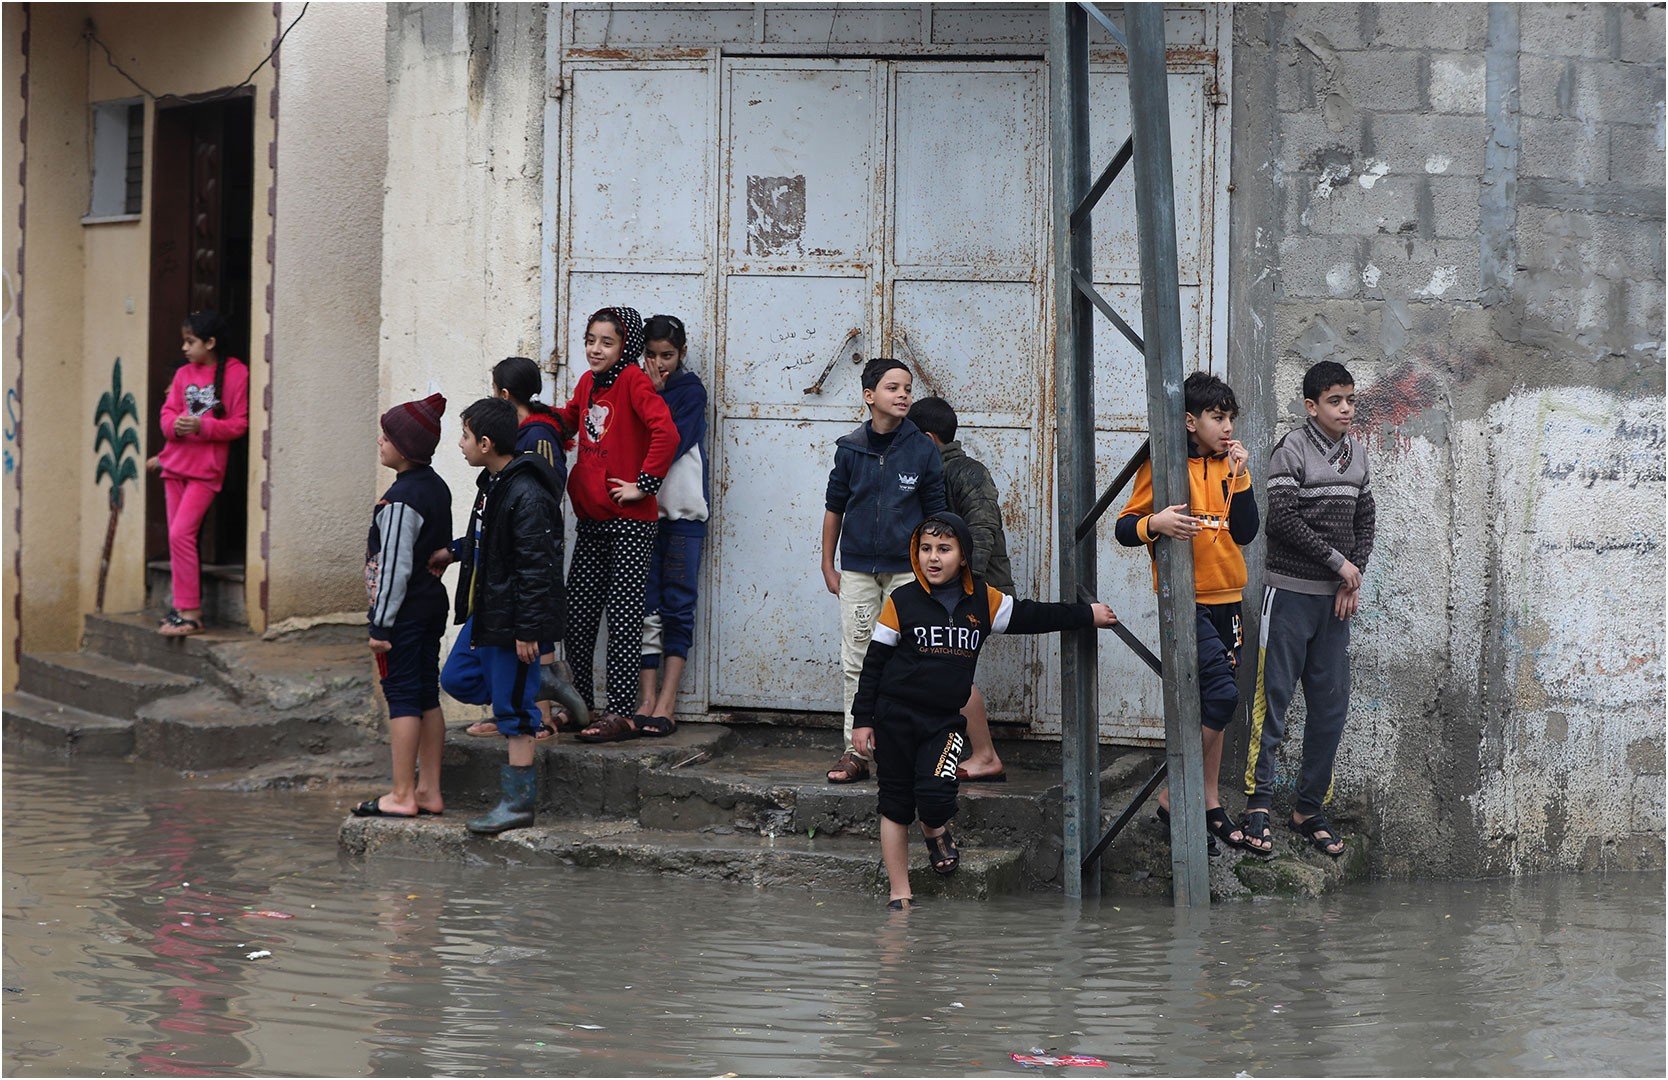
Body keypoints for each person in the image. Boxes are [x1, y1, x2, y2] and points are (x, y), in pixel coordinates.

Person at [851, 514, 1118, 909]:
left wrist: (1086, 615)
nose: (933, 558)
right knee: (895, 803)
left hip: (944, 723)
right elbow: (873, 664)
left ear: (963, 556)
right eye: (926, 549)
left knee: (936, 797)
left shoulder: (983, 600)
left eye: (944, 549)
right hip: (894, 719)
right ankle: (900, 894)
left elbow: (1033, 615)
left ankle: (935, 827)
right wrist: (862, 721)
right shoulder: (901, 601)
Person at [1115, 370, 1259, 854]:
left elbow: (1246, 531)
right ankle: (1174, 793)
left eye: (1230, 418)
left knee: (1215, 705)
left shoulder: (1230, 465)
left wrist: (1240, 475)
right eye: (1217, 417)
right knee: (1221, 697)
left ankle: (1208, 800)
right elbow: (1123, 527)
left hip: (1228, 599)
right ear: (1190, 421)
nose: (1227, 427)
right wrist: (1155, 523)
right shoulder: (1165, 463)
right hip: (1187, 601)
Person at [1241, 360, 1374, 858]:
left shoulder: (1357, 454)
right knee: (1272, 701)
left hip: (1334, 604)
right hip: (1290, 596)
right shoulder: (1291, 449)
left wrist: (1351, 577)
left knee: (1330, 709)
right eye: (1335, 401)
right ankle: (1258, 804)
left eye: (1350, 399)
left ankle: (1308, 809)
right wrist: (1339, 564)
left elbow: (1366, 520)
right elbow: (1282, 521)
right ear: (1311, 406)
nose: (1346, 409)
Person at [430, 397, 565, 835]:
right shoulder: (493, 483)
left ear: (486, 443)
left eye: (465, 436)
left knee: (513, 711)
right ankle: (540, 683)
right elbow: (488, 541)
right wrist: (454, 551)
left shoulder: (526, 493)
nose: (460, 444)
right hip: (489, 612)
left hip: (513, 622)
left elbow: (536, 567)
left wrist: (528, 629)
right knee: (457, 678)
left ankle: (517, 805)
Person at [821, 357, 948, 784]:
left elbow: (936, 512)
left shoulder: (922, 449)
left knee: (909, 658)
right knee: (856, 657)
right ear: (869, 396)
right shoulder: (850, 448)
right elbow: (834, 508)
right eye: (893, 388)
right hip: (857, 570)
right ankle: (854, 752)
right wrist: (828, 564)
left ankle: (904, 749)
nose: (903, 395)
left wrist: (935, 568)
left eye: (907, 388)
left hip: (908, 572)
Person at [555, 307, 678, 743]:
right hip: (592, 520)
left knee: (624, 619)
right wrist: (530, 418)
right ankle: (580, 706)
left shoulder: (633, 381)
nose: (595, 349)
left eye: (606, 342)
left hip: (630, 524)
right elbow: (569, 418)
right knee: (578, 616)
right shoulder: (588, 383)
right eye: (591, 340)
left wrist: (644, 485)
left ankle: (622, 714)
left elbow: (666, 433)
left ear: (625, 346)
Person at [456, 355, 588, 741]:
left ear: (504, 393)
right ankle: (512, 708)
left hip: (524, 568)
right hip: (500, 581)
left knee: (529, 649)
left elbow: (542, 502)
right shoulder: (499, 464)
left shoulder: (536, 437)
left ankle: (534, 716)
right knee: (477, 672)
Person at [352, 393, 452, 819]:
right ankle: (429, 790)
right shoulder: (435, 487)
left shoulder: (400, 501)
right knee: (427, 693)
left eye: (388, 436)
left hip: (405, 613)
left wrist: (380, 625)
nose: (380, 441)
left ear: (406, 448)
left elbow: (394, 567)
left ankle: (401, 793)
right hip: (430, 605)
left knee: (402, 696)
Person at [907, 396, 1012, 784]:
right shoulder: (928, 471)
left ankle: (985, 755)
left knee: (950, 673)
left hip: (966, 590)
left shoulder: (966, 472)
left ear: (927, 439)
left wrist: (965, 589)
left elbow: (982, 530)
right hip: (944, 592)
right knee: (933, 671)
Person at [151, 310, 250, 637]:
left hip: (205, 470)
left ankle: (192, 613)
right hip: (175, 465)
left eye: (190, 341)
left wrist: (201, 426)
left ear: (210, 342)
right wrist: (175, 426)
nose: (184, 348)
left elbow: (239, 424)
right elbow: (167, 414)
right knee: (177, 538)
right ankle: (182, 609)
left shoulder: (237, 373)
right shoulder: (183, 374)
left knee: (181, 534)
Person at [634, 315, 707, 736]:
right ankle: (646, 698)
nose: (659, 364)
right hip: (641, 512)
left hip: (682, 514)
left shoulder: (690, 391)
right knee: (645, 604)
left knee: (678, 605)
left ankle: (668, 701)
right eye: (651, 355)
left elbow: (670, 442)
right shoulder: (633, 386)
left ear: (681, 354)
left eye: (668, 355)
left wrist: (655, 397)